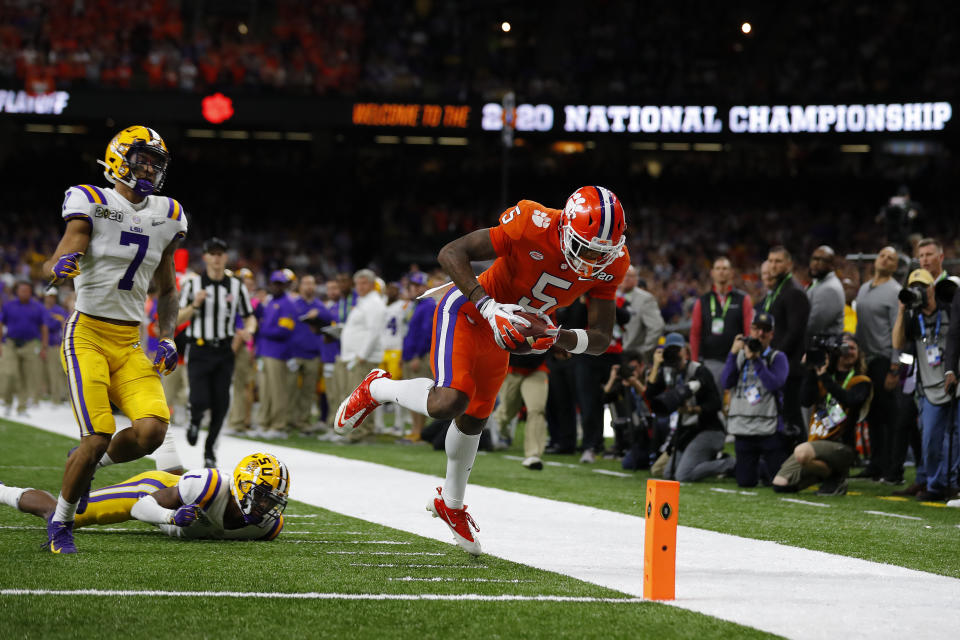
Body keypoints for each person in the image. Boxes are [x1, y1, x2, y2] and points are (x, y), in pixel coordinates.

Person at [335, 186, 628, 555]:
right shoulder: (532, 223)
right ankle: (377, 388)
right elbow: (451, 252)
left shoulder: (613, 262)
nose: (591, 259)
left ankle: (451, 504)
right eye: (586, 246)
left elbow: (601, 337)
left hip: (508, 333)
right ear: (566, 228)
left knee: (474, 419)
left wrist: (556, 335)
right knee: (448, 402)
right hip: (472, 312)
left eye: (601, 252)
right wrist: (488, 307)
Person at [41, 125, 188, 554]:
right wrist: (59, 268)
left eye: (155, 163)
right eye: (142, 159)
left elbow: (168, 288)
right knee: (98, 434)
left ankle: (86, 467)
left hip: (128, 341)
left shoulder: (169, 214)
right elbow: (55, 263)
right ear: (119, 158)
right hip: (86, 332)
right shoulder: (91, 200)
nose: (148, 169)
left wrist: (168, 338)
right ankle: (62, 521)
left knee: (152, 431)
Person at [0, 452, 288, 541]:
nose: (266, 507)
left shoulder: (268, 527)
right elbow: (141, 507)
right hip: (151, 491)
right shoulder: (209, 487)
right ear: (240, 487)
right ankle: (3, 491)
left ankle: (166, 442)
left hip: (180, 491)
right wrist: (171, 516)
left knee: (181, 484)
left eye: (273, 501)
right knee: (62, 514)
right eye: (262, 497)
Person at [178, 237, 256, 467]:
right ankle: (194, 418)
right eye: (212, 253)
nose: (217, 258)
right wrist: (195, 306)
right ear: (205, 257)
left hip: (224, 349)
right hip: (199, 348)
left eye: (220, 253)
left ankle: (210, 451)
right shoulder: (192, 285)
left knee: (221, 403)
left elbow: (249, 315)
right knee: (200, 398)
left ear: (225, 257)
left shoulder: (236, 286)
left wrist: (249, 330)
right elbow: (178, 318)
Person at [772, 333, 871, 496]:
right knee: (780, 484)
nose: (848, 351)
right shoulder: (823, 376)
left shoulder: (862, 381)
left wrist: (824, 376)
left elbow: (849, 400)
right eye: (844, 347)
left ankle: (836, 476)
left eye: (852, 348)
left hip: (842, 446)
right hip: (816, 442)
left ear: (859, 353)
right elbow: (805, 400)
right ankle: (829, 475)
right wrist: (811, 370)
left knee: (801, 453)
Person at [893, 269, 959, 501]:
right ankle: (935, 484)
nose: (919, 291)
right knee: (930, 438)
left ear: (933, 287)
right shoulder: (912, 318)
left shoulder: (950, 307)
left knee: (955, 438)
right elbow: (897, 343)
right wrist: (902, 310)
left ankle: (952, 484)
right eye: (914, 287)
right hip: (929, 389)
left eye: (923, 286)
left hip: (956, 382)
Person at [648, 332, 732, 482]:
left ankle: (728, 463)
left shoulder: (699, 370)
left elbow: (715, 404)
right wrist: (656, 365)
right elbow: (650, 397)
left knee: (683, 475)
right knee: (668, 474)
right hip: (687, 432)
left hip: (709, 430)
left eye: (676, 350)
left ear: (685, 351)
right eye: (670, 350)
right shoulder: (668, 372)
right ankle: (706, 459)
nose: (674, 354)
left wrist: (693, 409)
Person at [721, 311, 789, 487]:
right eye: (757, 329)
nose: (761, 334)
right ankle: (760, 468)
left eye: (766, 330)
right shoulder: (739, 356)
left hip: (768, 428)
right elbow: (726, 382)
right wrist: (732, 353)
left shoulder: (777, 357)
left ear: (772, 334)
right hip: (743, 427)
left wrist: (757, 360)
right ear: (750, 330)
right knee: (745, 482)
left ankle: (768, 469)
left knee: (779, 483)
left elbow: (774, 384)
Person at [854, 246, 903, 483]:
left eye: (891, 258)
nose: (885, 260)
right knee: (871, 414)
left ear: (895, 266)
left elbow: (899, 329)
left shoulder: (895, 291)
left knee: (888, 415)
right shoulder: (864, 288)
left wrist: (895, 366)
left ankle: (891, 465)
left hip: (883, 359)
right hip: (865, 361)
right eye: (882, 255)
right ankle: (876, 463)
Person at [762, 246, 810, 434]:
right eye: (771, 261)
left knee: (792, 415)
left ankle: (798, 456)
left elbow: (794, 332)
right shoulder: (780, 290)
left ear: (789, 264)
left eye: (778, 261)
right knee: (784, 415)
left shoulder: (793, 291)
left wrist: (774, 356)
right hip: (784, 364)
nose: (773, 265)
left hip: (790, 367)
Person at [338, 268, 387, 443]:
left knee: (362, 398)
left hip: (363, 358)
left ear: (372, 284)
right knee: (354, 398)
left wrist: (362, 355)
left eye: (364, 282)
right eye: (358, 283)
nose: (360, 286)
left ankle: (363, 433)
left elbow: (374, 332)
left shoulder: (374, 302)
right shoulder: (363, 301)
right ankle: (356, 433)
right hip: (354, 356)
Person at [689, 257, 753, 386]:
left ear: (731, 272)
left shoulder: (743, 299)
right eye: (718, 268)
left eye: (725, 268)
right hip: (709, 360)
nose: (721, 272)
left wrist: (748, 357)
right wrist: (694, 362)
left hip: (736, 359)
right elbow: (695, 333)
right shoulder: (702, 301)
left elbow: (749, 331)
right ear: (712, 273)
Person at [492, 350, 550, 470]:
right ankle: (500, 427)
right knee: (507, 410)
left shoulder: (546, 329)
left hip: (537, 370)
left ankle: (533, 455)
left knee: (536, 410)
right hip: (511, 369)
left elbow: (556, 335)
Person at [257, 270, 298, 437]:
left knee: (277, 391)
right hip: (266, 351)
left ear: (285, 285)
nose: (276, 286)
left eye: (279, 284)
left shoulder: (288, 303)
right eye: (274, 283)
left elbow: (284, 331)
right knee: (265, 391)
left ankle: (279, 426)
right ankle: (264, 424)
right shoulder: (271, 302)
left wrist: (262, 328)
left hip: (278, 353)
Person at [288, 274, 332, 434]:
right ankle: (290, 420)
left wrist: (318, 315)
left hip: (313, 354)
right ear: (300, 286)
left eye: (311, 283)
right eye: (306, 283)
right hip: (295, 353)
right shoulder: (293, 304)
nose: (309, 287)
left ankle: (303, 422)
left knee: (308, 391)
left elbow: (329, 318)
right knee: (290, 389)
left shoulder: (319, 305)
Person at [0, 280, 48, 415]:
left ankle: (21, 407)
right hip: (10, 344)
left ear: (30, 292)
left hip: (30, 344)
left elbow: (44, 327)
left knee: (26, 376)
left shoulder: (38, 307)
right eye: (22, 290)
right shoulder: (8, 305)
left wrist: (43, 347)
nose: (24, 293)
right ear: (17, 291)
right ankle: (8, 402)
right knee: (9, 373)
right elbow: (1, 323)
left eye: (27, 291)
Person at [400, 272, 435, 442]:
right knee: (410, 395)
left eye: (416, 285)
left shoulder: (428, 305)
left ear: (425, 287)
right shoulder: (416, 305)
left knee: (419, 395)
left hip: (419, 356)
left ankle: (419, 431)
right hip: (410, 354)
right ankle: (415, 429)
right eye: (411, 286)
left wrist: (416, 355)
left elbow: (426, 334)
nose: (412, 289)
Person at [226, 267, 258, 434]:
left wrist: (235, 347)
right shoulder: (240, 299)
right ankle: (242, 420)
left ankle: (240, 422)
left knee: (242, 385)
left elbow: (244, 329)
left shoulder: (249, 301)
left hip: (243, 346)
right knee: (242, 385)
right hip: (242, 344)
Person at [620, 265, 664, 362]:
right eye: (624, 275)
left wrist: (643, 352)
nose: (626, 278)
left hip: (632, 355)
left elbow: (657, 327)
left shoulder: (645, 299)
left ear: (636, 280)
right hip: (611, 353)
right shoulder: (612, 295)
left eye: (630, 276)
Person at [805, 245, 845, 339]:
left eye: (821, 260)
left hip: (824, 348)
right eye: (814, 259)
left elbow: (813, 325)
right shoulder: (819, 282)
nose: (815, 263)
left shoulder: (830, 288)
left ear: (831, 265)